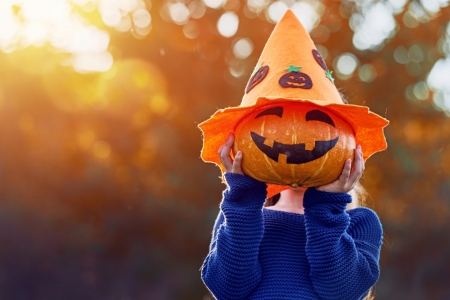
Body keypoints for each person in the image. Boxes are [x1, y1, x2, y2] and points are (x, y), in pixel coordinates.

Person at [200, 133, 382, 300]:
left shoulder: (360, 222)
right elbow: (229, 289)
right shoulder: (239, 214)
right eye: (287, 134)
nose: (297, 146)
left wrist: (326, 206)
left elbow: (340, 291)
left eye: (315, 133)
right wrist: (244, 196)